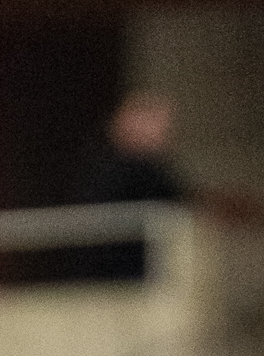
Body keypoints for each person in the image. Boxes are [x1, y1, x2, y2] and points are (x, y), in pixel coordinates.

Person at [66, 91, 191, 284]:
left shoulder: (152, 172)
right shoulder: (112, 171)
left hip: (142, 281)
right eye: (156, 121)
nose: (166, 131)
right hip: (118, 285)